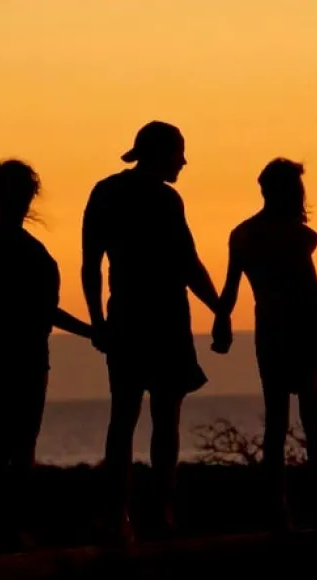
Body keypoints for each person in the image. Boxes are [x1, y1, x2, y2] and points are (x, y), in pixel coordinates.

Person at [81, 121, 220, 543]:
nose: (183, 161)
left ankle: (121, 515)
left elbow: (91, 266)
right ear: (159, 153)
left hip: (127, 318)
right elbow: (189, 264)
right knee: (162, 421)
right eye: (179, 152)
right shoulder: (163, 199)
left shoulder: (106, 192)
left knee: (124, 419)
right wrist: (220, 309)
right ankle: (156, 512)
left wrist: (98, 322)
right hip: (161, 320)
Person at [0, 159, 92, 546]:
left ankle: (3, 525)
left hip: (8, 358)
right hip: (24, 360)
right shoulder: (30, 255)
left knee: (8, 445)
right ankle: (7, 526)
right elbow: (41, 313)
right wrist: (93, 332)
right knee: (17, 447)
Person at [212, 158, 317, 533]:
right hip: (302, 333)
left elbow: (230, 290)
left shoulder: (242, 235)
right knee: (312, 423)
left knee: (276, 421)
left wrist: (222, 324)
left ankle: (278, 508)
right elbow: (313, 291)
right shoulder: (295, 235)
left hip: (269, 333)